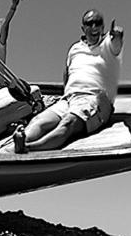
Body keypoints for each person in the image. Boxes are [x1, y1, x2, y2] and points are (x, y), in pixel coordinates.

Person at [13, 10, 123, 153]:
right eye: (90, 24)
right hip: (69, 99)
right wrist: (65, 96)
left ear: (103, 28)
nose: (94, 27)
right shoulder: (75, 49)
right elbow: (67, 74)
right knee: (39, 121)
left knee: (68, 123)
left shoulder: (107, 44)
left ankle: (28, 148)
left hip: (93, 98)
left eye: (98, 23)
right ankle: (18, 143)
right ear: (83, 28)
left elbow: (116, 44)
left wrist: (118, 36)